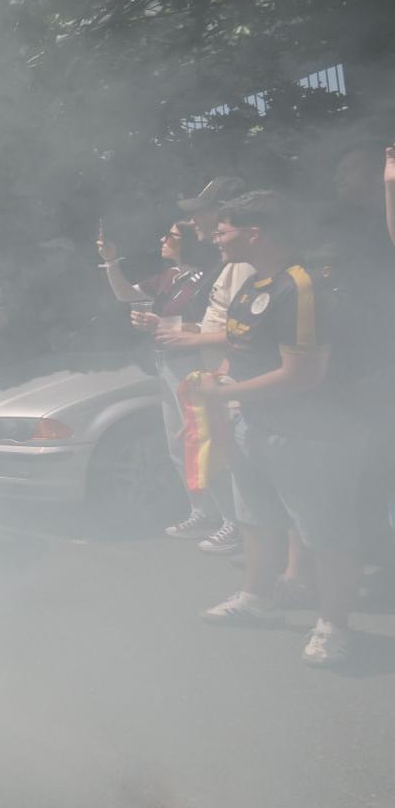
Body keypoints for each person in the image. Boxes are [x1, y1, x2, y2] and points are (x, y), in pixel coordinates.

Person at [195, 191, 361, 667]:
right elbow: (242, 346)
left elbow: (304, 375)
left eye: (225, 230)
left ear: (255, 233)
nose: (217, 238)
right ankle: (258, 600)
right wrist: (222, 375)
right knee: (257, 518)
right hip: (254, 422)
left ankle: (333, 626)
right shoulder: (253, 284)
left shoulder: (300, 286)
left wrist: (221, 395)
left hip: (305, 435)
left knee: (324, 532)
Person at [98, 218, 221, 539]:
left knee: (204, 441)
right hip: (167, 364)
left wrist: (161, 322)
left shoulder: (208, 276)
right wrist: (111, 261)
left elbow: (210, 324)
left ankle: (230, 519)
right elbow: (127, 295)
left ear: (190, 242)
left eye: (172, 235)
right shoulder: (170, 275)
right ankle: (201, 511)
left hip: (193, 364)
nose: (163, 239)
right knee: (179, 443)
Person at [153, 177, 252, 554]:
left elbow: (247, 332)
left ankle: (241, 528)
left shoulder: (236, 265)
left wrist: (190, 339)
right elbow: (215, 323)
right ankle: (230, 522)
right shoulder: (226, 264)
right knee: (206, 448)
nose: (194, 222)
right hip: (216, 373)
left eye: (201, 213)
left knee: (229, 457)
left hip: (232, 379)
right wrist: (170, 329)